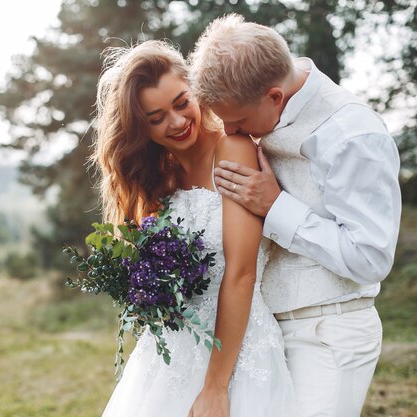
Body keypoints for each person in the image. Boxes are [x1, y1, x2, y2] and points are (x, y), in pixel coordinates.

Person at [189, 14, 402, 417]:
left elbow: (372, 258)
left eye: (237, 118)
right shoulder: (263, 88)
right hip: (266, 333)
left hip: (328, 333)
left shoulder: (353, 135)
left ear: (274, 96)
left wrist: (276, 208)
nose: (230, 129)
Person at [91, 40, 295, 417]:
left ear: (196, 89)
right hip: (170, 349)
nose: (177, 122)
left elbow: (240, 272)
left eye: (182, 102)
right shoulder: (157, 180)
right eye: (156, 118)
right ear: (141, 126)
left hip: (236, 349)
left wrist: (215, 388)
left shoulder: (233, 149)